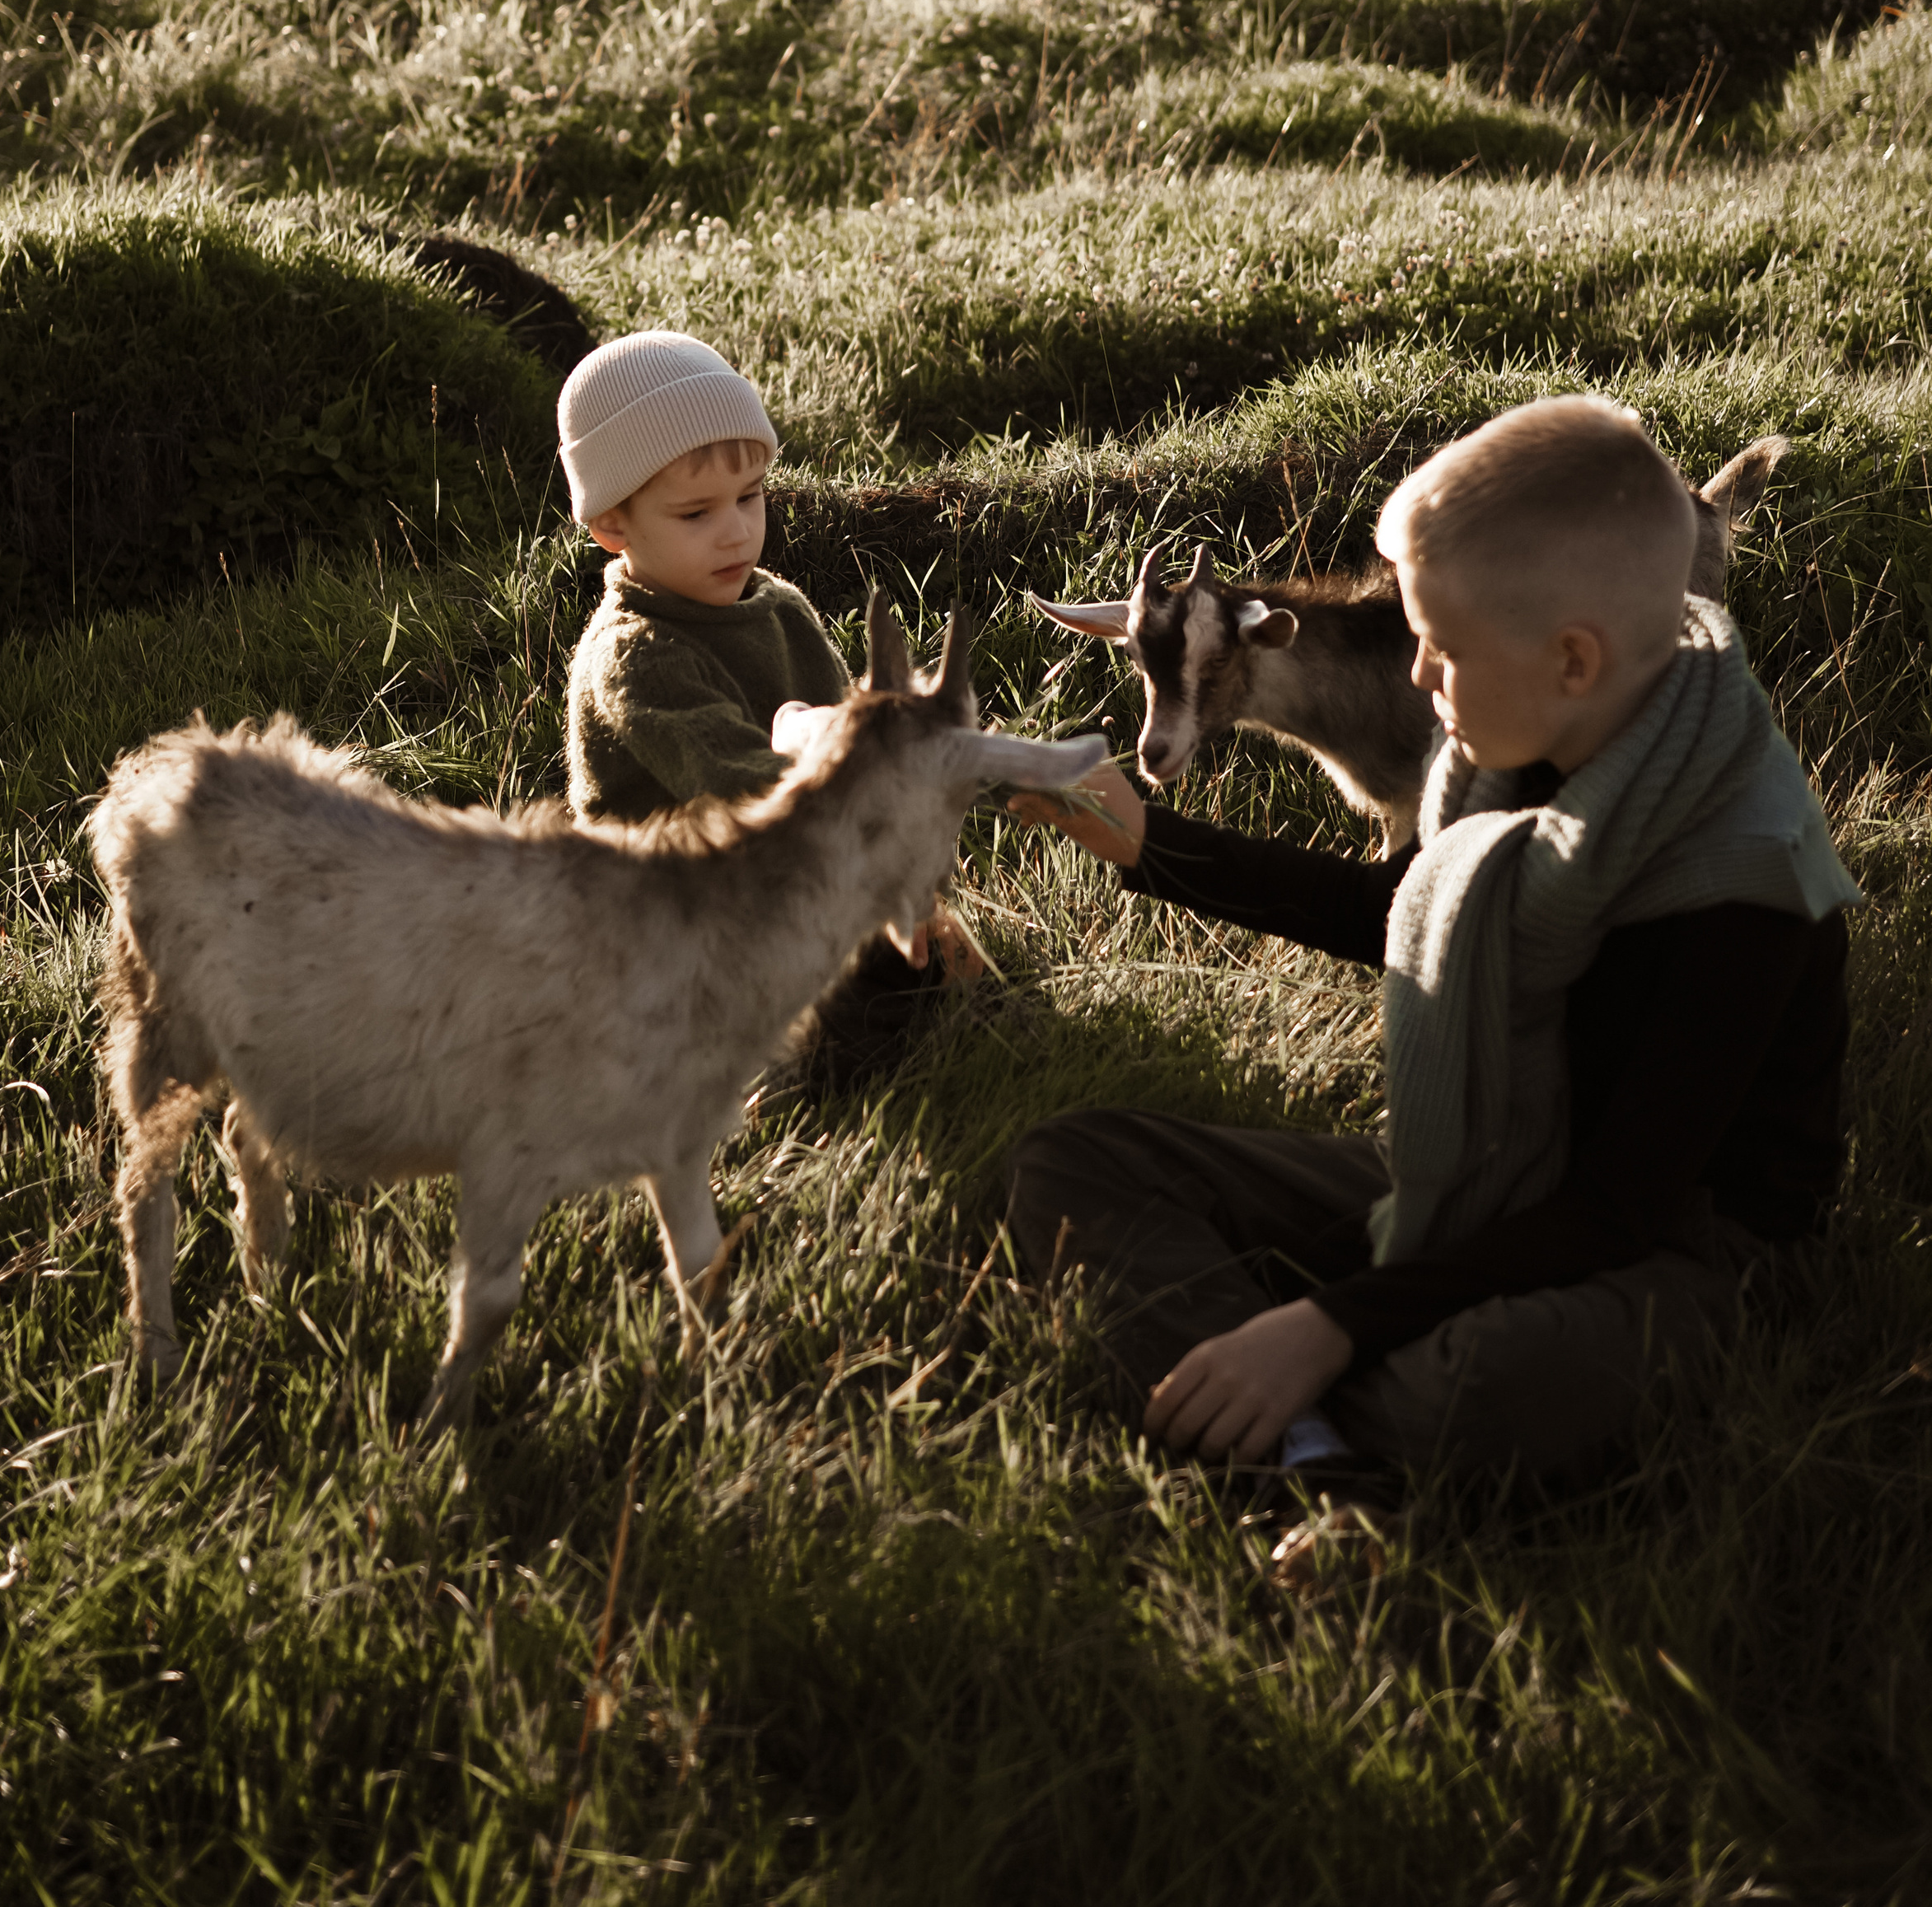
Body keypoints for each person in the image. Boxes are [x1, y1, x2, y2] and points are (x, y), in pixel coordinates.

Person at [1004, 395, 1858, 1545]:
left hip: (1682, 1248)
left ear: (1571, 658)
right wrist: (1154, 841)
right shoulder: (1514, 759)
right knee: (1079, 1163)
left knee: (1483, 1383)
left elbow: (1619, 1205)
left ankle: (1289, 1421)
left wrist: (1330, 1325)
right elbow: (1393, 905)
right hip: (1500, 1165)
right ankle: (1322, 1447)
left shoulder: (1745, 873)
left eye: (1441, 647)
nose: (1416, 676)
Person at [561, 329, 976, 1073]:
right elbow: (738, 780)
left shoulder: (780, 608)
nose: (736, 532)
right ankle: (785, 1073)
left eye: (750, 497)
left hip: (785, 878)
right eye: (696, 514)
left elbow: (845, 735)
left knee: (917, 969)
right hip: (665, 916)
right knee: (842, 1016)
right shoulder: (635, 655)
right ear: (612, 526)